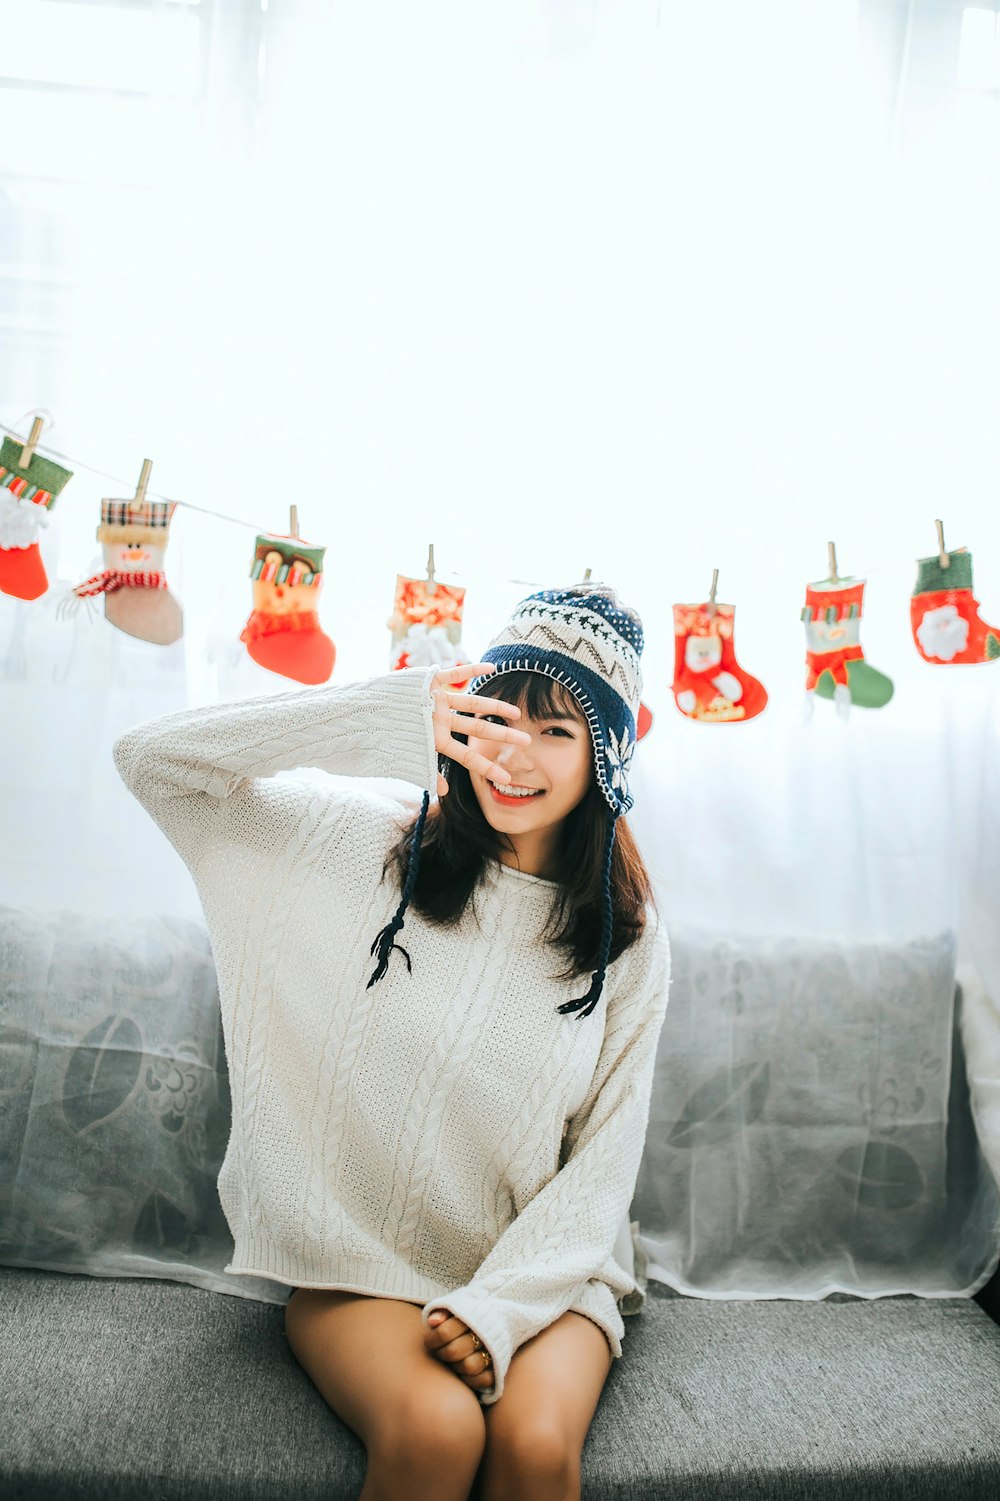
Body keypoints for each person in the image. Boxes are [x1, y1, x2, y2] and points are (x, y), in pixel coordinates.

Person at [113, 581, 671, 1501]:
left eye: (558, 731)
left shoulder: (629, 937)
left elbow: (604, 1167)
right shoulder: (356, 849)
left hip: (548, 1275)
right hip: (362, 1268)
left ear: (605, 757)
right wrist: (387, 713)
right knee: (435, 1429)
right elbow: (152, 759)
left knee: (534, 1447)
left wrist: (498, 1306)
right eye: (495, 714)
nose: (513, 753)